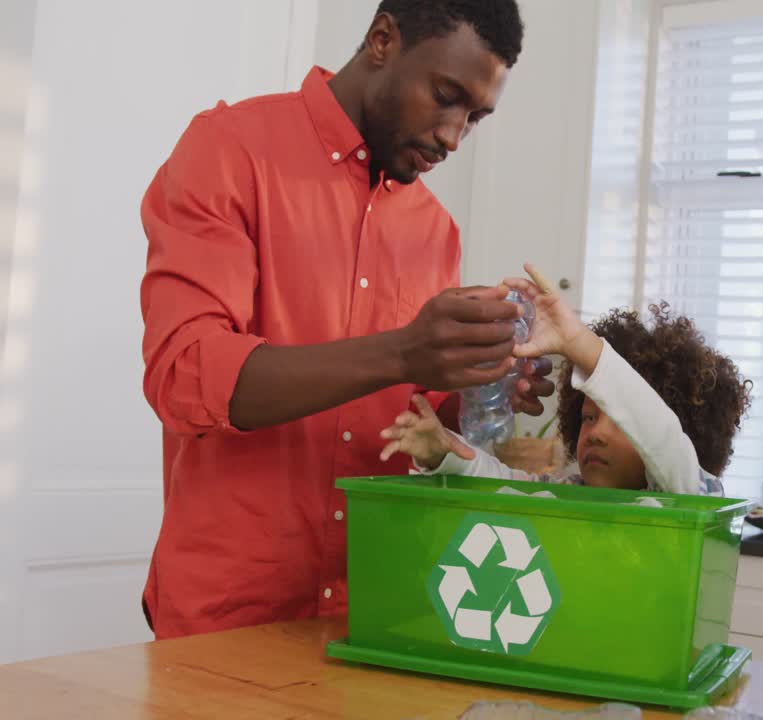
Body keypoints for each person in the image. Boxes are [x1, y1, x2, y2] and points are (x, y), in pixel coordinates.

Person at [138, 0, 554, 639]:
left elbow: (406, 418)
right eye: (446, 97)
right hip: (225, 617)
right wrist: (404, 352)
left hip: (373, 613)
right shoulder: (231, 150)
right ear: (383, 40)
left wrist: (477, 385)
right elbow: (186, 374)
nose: (453, 137)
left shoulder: (436, 231)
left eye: (474, 118)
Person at [379, 265, 752, 496]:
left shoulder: (687, 492)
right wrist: (444, 451)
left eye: (620, 422)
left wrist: (578, 343)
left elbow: (659, 431)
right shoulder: (569, 493)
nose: (597, 434)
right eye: (588, 418)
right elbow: (501, 483)